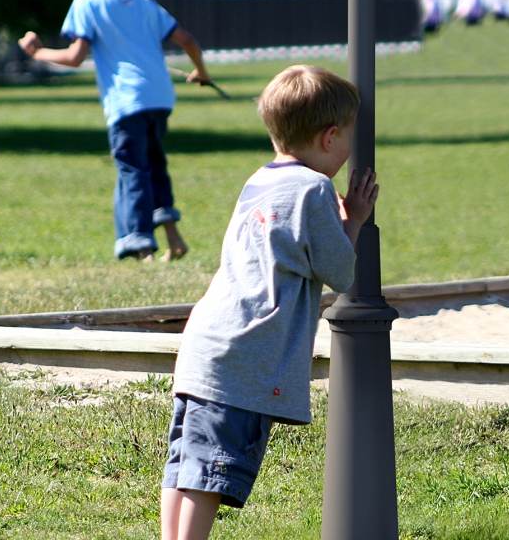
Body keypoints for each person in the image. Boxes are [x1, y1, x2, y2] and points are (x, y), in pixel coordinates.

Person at [160, 65, 380, 540]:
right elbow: (340, 272)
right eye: (348, 140)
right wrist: (355, 220)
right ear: (329, 137)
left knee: (185, 462)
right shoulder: (314, 189)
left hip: (207, 342)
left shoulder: (259, 179)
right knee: (211, 471)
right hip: (246, 353)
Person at [19, 0, 211, 262]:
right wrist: (201, 72)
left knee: (133, 170)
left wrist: (37, 53)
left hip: (126, 100)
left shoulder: (87, 2)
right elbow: (187, 39)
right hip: (159, 97)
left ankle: (143, 247)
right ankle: (173, 237)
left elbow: (75, 57)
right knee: (154, 164)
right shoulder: (144, 1)